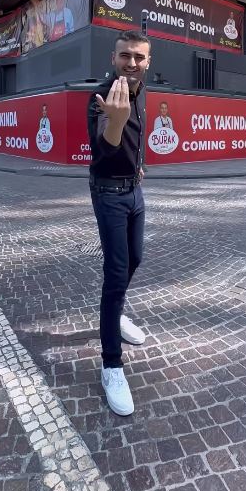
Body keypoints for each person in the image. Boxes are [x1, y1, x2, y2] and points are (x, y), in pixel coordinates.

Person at [87, 29, 151, 416]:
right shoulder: (100, 97)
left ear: (148, 62)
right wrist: (116, 121)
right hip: (108, 193)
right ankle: (111, 364)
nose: (131, 63)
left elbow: (135, 140)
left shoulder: (142, 93)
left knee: (135, 259)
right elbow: (104, 147)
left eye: (138, 57)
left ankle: (117, 314)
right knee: (115, 274)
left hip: (134, 191)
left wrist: (139, 164)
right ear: (114, 58)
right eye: (125, 55)